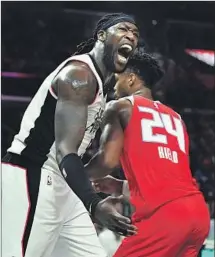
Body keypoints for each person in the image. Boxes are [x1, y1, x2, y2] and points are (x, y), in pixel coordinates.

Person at [1, 13, 139, 257]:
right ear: (102, 35)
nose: (131, 36)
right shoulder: (79, 75)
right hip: (33, 177)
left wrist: (93, 182)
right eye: (124, 29)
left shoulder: (104, 86)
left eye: (136, 34)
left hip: (63, 185)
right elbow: (66, 150)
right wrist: (94, 202)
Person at [85, 50, 210, 257]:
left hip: (166, 218)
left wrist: (72, 173)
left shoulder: (120, 107)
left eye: (117, 80)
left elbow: (106, 161)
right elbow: (171, 180)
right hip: (198, 215)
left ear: (131, 79)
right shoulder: (176, 118)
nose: (114, 87)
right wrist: (119, 186)